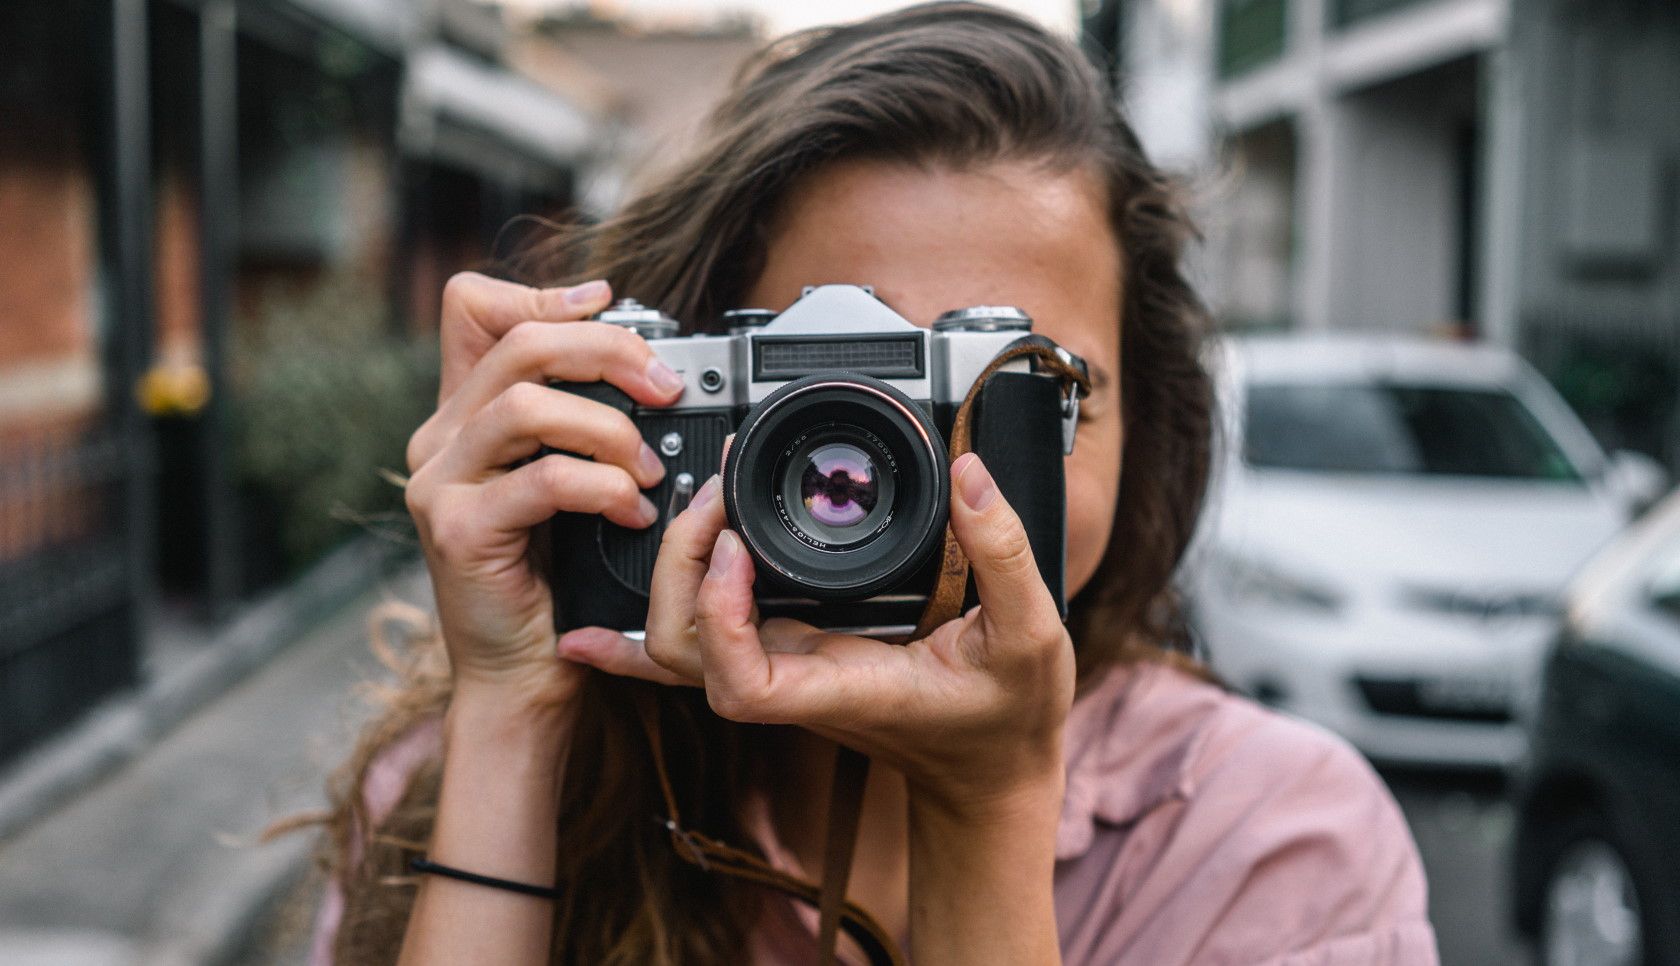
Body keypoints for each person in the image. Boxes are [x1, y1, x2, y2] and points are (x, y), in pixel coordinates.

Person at [314, 4, 1438, 964]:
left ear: (1146, 431)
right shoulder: (459, 779)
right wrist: (514, 715)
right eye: (832, 400)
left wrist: (986, 805)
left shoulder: (1276, 848)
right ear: (679, 398)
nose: (917, 480)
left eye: (1028, 395)